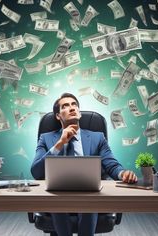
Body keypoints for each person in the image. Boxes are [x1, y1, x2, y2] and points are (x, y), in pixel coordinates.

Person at [31, 92, 138, 236]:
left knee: (90, 201)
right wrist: (60, 143)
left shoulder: (97, 137)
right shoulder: (46, 139)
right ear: (58, 116)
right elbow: (36, 172)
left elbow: (111, 164)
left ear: (79, 112)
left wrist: (123, 173)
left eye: (74, 104)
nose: (72, 108)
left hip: (89, 194)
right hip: (58, 195)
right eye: (65, 106)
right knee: (57, 201)